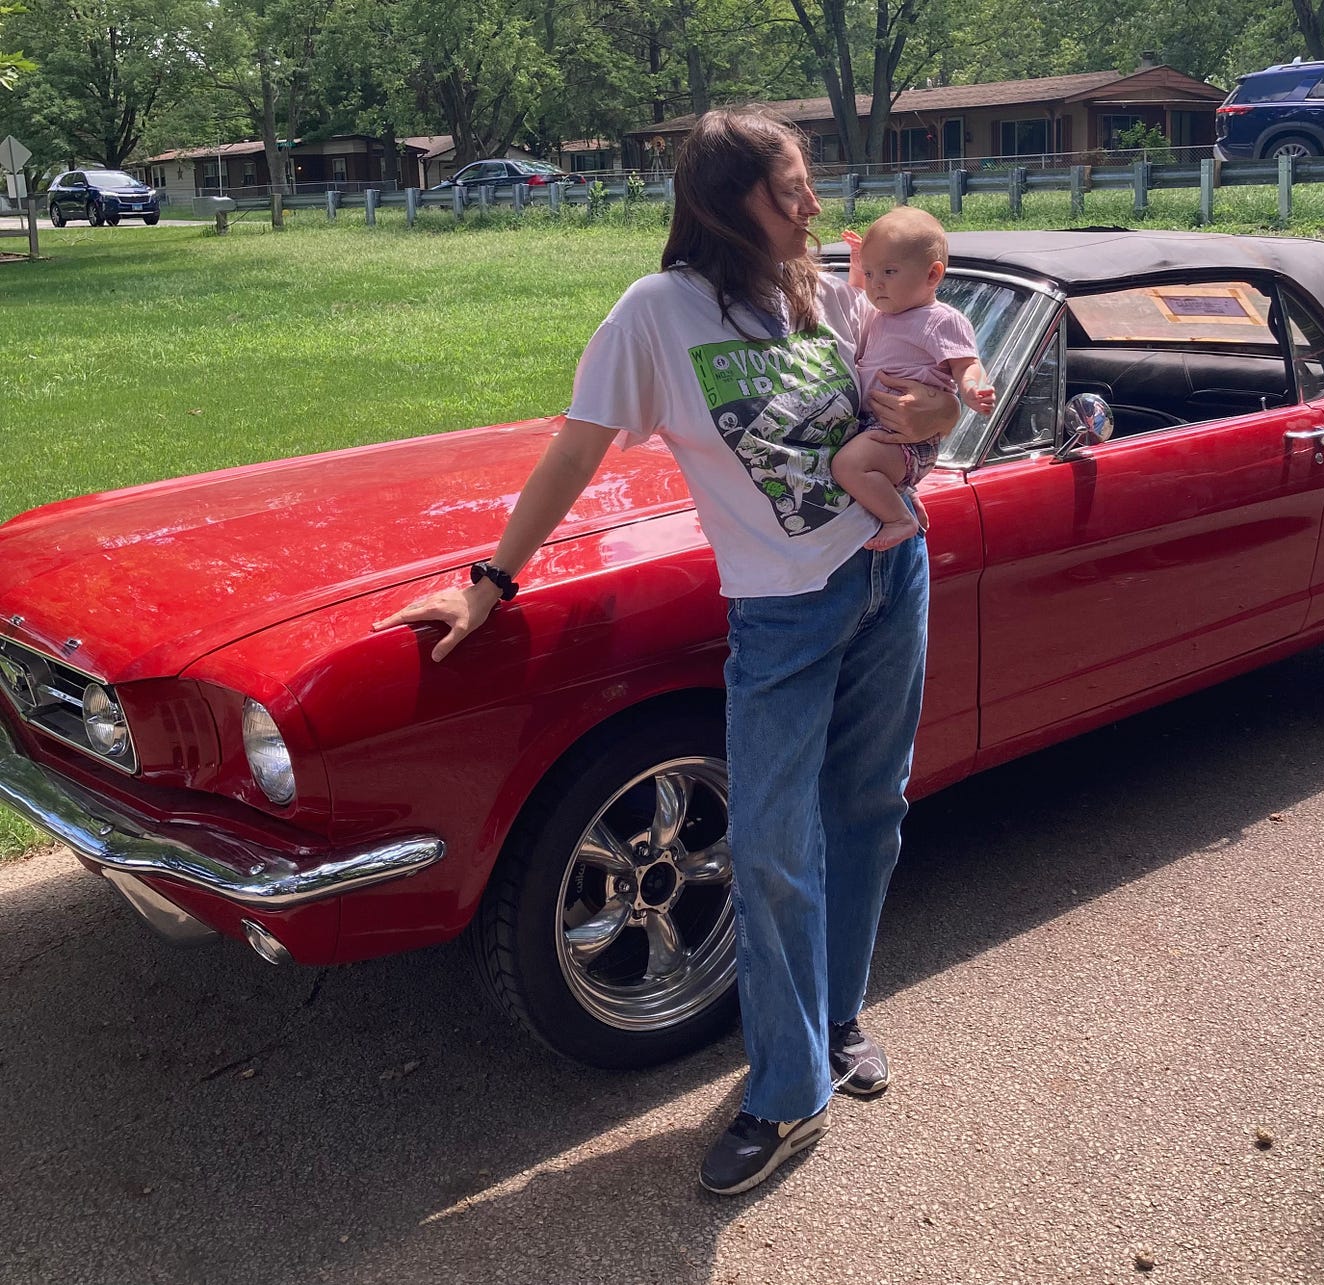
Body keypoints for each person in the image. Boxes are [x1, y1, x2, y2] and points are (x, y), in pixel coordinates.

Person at [371, 109, 959, 1197]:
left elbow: (930, 397)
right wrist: (490, 581)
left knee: (870, 810)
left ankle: (832, 1019)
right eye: (789, 189)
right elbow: (577, 448)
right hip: (783, 616)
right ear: (726, 201)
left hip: (890, 575)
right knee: (775, 849)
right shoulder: (658, 315)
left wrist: (942, 408)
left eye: (808, 184)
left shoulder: (830, 290)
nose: (813, 205)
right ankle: (785, 1094)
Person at [832, 208, 996, 550]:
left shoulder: (940, 320)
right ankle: (901, 493)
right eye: (871, 271)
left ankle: (899, 519)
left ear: (932, 275)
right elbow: (855, 296)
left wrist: (970, 389)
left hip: (907, 439)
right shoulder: (880, 315)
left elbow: (967, 363)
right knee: (853, 459)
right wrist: (857, 262)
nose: (877, 283)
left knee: (848, 465)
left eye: (890, 272)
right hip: (878, 429)